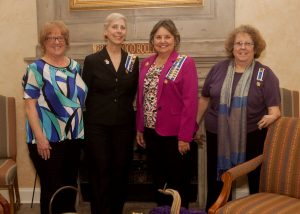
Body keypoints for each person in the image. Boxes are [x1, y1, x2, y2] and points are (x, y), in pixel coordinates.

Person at [196, 24, 281, 211]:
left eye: (248, 43)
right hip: (217, 134)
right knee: (216, 178)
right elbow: (204, 99)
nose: (242, 47)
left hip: (252, 135)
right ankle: (215, 210)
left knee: (256, 179)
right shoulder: (218, 68)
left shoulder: (265, 74)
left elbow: (275, 110)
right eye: (238, 43)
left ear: (255, 48)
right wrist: (194, 124)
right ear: (232, 47)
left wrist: (272, 117)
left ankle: (256, 211)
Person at [22, 20, 88, 214]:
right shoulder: (36, 69)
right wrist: (40, 139)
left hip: (74, 138)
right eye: (51, 37)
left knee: (69, 188)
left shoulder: (75, 66)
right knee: (52, 189)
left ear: (66, 41)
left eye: (60, 37)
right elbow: (30, 107)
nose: (56, 41)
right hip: (47, 140)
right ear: (44, 41)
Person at [136, 19, 198, 208]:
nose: (163, 41)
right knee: (158, 181)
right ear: (152, 41)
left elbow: (190, 102)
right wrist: (140, 129)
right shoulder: (147, 63)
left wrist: (185, 137)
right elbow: (142, 98)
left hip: (175, 134)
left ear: (175, 39)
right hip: (151, 132)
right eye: (158, 37)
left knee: (177, 182)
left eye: (167, 37)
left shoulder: (185, 62)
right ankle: (162, 211)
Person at [82, 13, 139, 214]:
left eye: (122, 28)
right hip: (97, 126)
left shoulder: (133, 60)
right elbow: (84, 94)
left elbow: (131, 93)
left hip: (124, 126)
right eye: (114, 27)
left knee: (121, 172)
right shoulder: (92, 60)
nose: (119, 31)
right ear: (106, 31)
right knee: (100, 173)